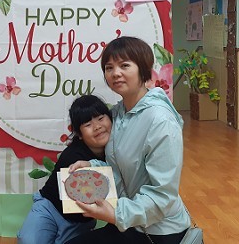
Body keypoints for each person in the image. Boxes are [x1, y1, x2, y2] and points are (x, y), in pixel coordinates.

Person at [66, 36, 191, 244]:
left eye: (124, 65)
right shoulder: (118, 113)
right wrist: (93, 165)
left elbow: (162, 196)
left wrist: (116, 214)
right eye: (109, 68)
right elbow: (121, 166)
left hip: (159, 230)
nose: (115, 73)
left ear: (143, 69)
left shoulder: (160, 120)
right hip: (130, 221)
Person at [17, 94, 113, 244]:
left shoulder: (117, 151)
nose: (97, 127)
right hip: (51, 207)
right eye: (88, 124)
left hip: (80, 221)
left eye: (101, 118)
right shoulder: (73, 156)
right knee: (29, 241)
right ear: (79, 134)